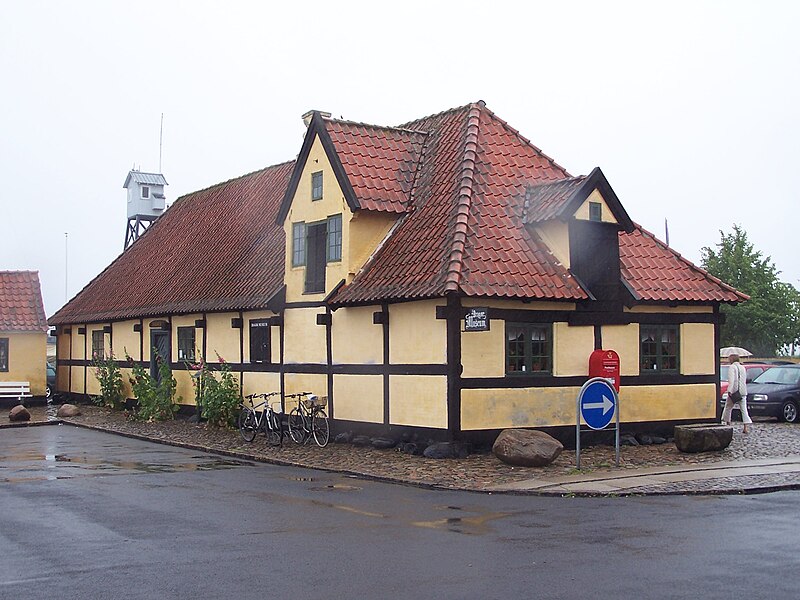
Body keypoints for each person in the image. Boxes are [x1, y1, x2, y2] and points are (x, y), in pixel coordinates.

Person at [721, 353, 752, 434]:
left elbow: (732, 380)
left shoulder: (732, 367)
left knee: (728, 407)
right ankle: (745, 427)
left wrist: (729, 391)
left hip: (734, 391)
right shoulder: (743, 367)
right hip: (742, 391)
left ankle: (728, 423)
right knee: (744, 409)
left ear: (732, 359)